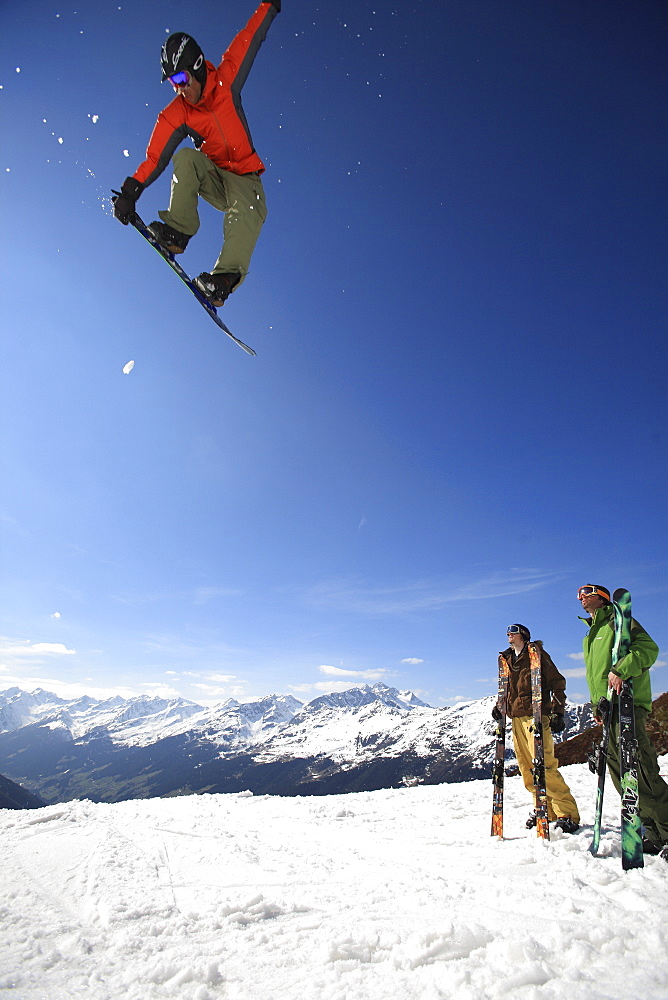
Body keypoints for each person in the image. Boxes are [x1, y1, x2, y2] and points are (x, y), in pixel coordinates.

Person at [113, 2, 281, 306]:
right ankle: (179, 231)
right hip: (215, 178)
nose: (178, 89)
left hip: (246, 180)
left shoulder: (226, 80)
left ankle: (224, 280)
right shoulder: (176, 114)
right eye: (172, 83)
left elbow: (250, 36)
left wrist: (268, 6)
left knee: (247, 209)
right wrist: (130, 190)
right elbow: (155, 158)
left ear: (197, 66)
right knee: (186, 158)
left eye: (181, 80)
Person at [578, 584, 668, 860]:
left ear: (603, 598)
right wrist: (597, 706)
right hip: (610, 710)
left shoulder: (621, 622)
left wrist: (621, 670)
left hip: (629, 706)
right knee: (621, 774)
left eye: (587, 592)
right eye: (579, 594)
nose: (581, 597)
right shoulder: (590, 635)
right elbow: (597, 676)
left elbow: (648, 650)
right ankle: (653, 833)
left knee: (641, 770)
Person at [496, 624, 580, 833]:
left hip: (536, 716)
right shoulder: (507, 660)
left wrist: (558, 711)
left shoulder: (537, 655)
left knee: (544, 766)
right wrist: (500, 706)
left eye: (513, 632)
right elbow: (509, 688)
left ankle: (567, 813)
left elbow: (557, 682)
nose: (509, 635)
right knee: (526, 767)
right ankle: (544, 809)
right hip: (516, 717)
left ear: (523, 636)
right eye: (507, 632)